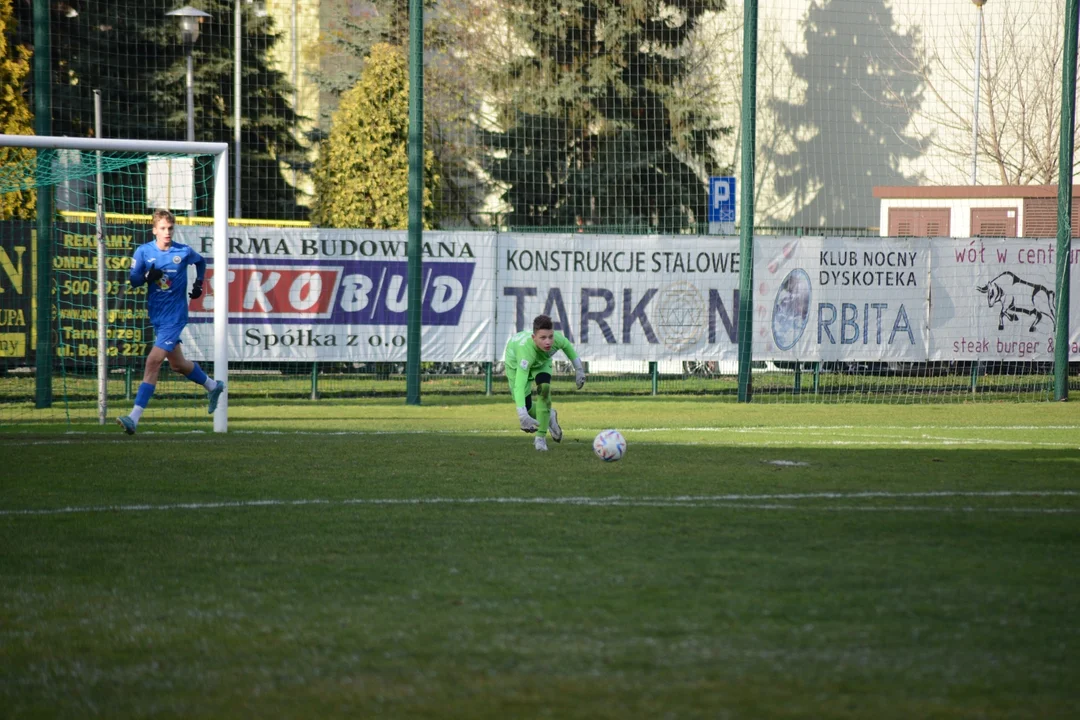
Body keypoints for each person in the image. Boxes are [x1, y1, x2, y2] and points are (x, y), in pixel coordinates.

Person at [116, 209, 225, 434]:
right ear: (154, 229)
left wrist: (198, 285)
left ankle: (134, 418)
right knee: (177, 364)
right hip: (158, 315)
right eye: (163, 228)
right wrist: (147, 277)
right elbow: (134, 280)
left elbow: (201, 262)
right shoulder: (144, 252)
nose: (167, 232)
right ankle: (213, 386)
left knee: (152, 362)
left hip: (175, 316)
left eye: (170, 228)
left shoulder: (182, 252)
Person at [503, 314, 586, 452]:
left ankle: (540, 438)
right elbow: (519, 384)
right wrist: (522, 414)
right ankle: (550, 415)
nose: (548, 342)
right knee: (527, 407)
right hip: (515, 367)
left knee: (544, 390)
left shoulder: (556, 339)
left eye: (550, 337)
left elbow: (568, 348)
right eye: (543, 338)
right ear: (533, 338)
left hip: (541, 362)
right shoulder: (526, 351)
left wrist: (579, 370)